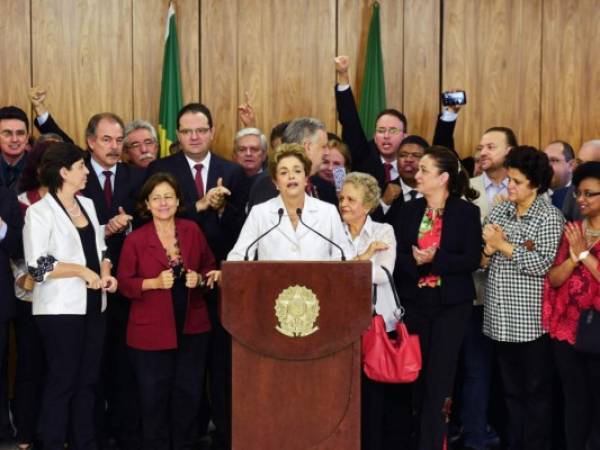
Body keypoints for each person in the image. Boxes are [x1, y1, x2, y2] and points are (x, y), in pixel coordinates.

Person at [147, 102, 246, 450]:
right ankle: (181, 437)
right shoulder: (161, 168)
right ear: (177, 134)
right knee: (179, 373)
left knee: (221, 364)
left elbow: (242, 231)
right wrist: (201, 205)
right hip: (172, 286)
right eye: (187, 131)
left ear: (212, 131)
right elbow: (153, 218)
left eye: (201, 130)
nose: (194, 136)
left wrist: (223, 208)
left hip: (219, 280)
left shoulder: (231, 171)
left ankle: (225, 434)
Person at [23, 142, 117, 450]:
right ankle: (51, 442)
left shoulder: (88, 204)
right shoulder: (39, 212)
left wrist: (104, 272)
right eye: (81, 166)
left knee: (88, 381)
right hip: (59, 310)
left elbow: (102, 248)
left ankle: (84, 442)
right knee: (63, 381)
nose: (87, 171)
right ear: (63, 172)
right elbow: (37, 266)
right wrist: (79, 270)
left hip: (94, 303)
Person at [117, 173, 219, 450]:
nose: (163, 203)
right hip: (150, 335)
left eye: (168, 197)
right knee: (153, 400)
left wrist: (199, 278)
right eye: (156, 198)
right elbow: (123, 284)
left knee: (188, 398)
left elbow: (211, 268)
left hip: (192, 330)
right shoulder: (136, 240)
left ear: (178, 201)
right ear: (147, 204)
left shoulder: (192, 231)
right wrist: (153, 283)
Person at [391, 145, 482, 450]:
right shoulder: (408, 210)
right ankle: (412, 437)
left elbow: (471, 259)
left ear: (443, 177)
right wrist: (415, 262)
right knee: (414, 375)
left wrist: (436, 258)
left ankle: (433, 442)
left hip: (450, 306)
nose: (417, 175)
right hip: (415, 303)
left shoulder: (467, 212)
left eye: (424, 171)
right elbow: (395, 254)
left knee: (440, 378)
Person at [481, 146, 564, 450]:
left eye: (516, 181)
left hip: (532, 325)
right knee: (509, 393)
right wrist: (489, 251)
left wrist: (502, 245)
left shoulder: (549, 217)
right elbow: (482, 253)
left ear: (536, 183)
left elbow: (542, 263)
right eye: (509, 179)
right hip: (499, 321)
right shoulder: (501, 209)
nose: (509, 186)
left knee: (537, 395)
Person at [83, 112, 144, 449]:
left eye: (119, 140)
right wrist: (103, 230)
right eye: (106, 139)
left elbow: (148, 218)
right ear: (91, 141)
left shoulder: (136, 176)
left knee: (124, 363)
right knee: (92, 364)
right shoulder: (76, 176)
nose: (114, 146)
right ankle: (91, 433)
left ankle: (125, 432)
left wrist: (128, 226)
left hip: (127, 283)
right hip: (87, 284)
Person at [542, 161, 600, 450]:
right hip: (567, 329)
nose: (581, 199)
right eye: (579, 192)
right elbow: (553, 279)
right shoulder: (572, 230)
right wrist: (573, 257)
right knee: (574, 400)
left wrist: (585, 256)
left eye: (590, 194)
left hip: (598, 328)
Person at [338, 172, 396, 450]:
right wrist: (364, 257)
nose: (343, 204)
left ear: (368, 205)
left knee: (373, 395)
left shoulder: (384, 231)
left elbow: (382, 275)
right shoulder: (331, 230)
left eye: (351, 199)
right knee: (343, 393)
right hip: (338, 324)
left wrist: (350, 267)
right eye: (341, 198)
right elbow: (330, 275)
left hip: (375, 324)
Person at [228, 143, 352, 261]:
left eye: (297, 171)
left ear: (306, 178)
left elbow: (343, 257)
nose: (291, 176)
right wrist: (228, 272)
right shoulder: (260, 213)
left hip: (317, 283)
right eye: (284, 172)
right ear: (276, 182)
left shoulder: (328, 212)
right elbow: (239, 256)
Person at [11, 140, 54, 450]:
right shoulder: (22, 202)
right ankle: (26, 434)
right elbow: (18, 253)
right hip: (32, 295)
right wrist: (34, 275)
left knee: (62, 370)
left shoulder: (83, 201)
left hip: (71, 298)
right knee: (31, 365)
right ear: (38, 167)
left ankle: (56, 432)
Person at [247, 117, 338, 209]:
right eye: (323, 146)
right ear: (308, 146)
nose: (327, 152)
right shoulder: (271, 181)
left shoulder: (314, 181)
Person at [562, 140, 600, 221]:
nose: (577, 167)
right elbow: (566, 219)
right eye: (578, 162)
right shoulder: (576, 185)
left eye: (585, 164)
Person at [0, 106, 30, 192]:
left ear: (27, 137)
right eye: (7, 133)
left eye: (20, 133)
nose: (14, 139)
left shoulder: (40, 169)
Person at [544, 140, 575, 209]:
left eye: (554, 160)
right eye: (545, 160)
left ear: (571, 165)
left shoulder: (579, 193)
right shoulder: (535, 191)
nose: (547, 165)